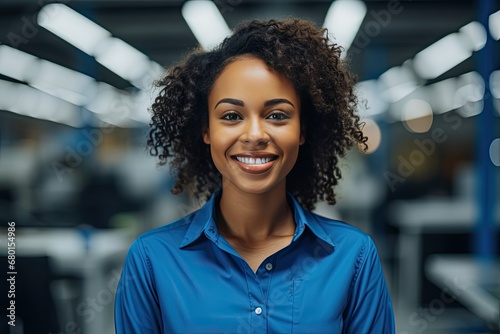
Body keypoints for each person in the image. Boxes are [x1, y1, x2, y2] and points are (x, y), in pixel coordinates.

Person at [114, 18, 395, 333]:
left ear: (303, 129)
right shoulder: (152, 259)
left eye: (277, 115)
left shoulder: (353, 257)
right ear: (206, 130)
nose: (255, 134)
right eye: (232, 116)